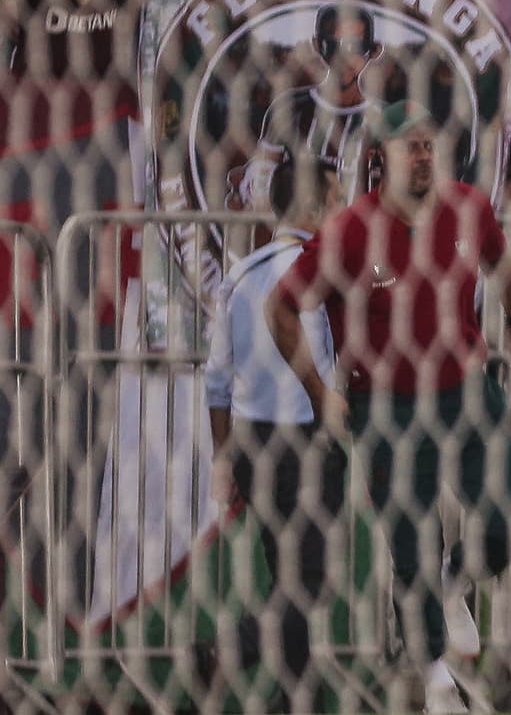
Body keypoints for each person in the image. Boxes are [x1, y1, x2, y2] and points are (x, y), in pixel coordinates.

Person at [266, 100, 511, 708]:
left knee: (508, 519)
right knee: (411, 542)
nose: (422, 154)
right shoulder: (349, 231)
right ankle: (437, 675)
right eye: (408, 145)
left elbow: (504, 264)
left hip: (467, 390)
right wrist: (321, 393)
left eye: (429, 143)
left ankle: (456, 580)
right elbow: (281, 309)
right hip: (384, 402)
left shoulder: (469, 207)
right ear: (378, 158)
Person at [205, 152, 346, 711]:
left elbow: (216, 380)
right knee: (309, 580)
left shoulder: (240, 272)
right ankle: (236, 647)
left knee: (291, 577)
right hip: (308, 438)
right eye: (336, 201)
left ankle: (288, 695)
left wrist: (223, 457)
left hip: (253, 442)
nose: (342, 211)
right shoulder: (319, 271)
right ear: (313, 208)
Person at [235, 2, 385, 211]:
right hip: (301, 234)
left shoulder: (385, 117)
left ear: (373, 50)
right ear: (317, 45)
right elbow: (261, 175)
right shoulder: (291, 108)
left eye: (356, 47)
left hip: (362, 236)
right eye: (334, 46)